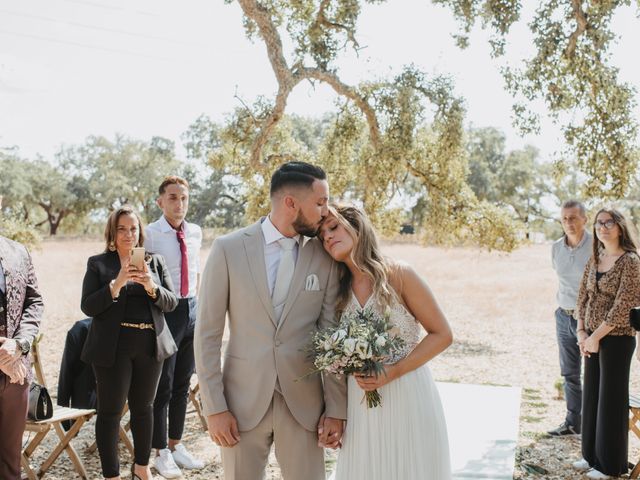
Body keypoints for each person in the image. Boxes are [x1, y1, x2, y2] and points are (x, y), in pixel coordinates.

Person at [195, 161, 347, 480]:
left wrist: (336, 409)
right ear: (290, 202)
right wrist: (215, 408)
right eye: (320, 202)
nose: (326, 211)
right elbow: (207, 335)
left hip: (304, 406)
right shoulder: (227, 249)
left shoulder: (325, 256)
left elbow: (331, 336)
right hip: (240, 405)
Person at [320, 204, 453, 480]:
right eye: (322, 236)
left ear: (357, 226)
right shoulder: (336, 290)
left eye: (333, 227)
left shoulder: (399, 274)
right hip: (361, 406)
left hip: (408, 394)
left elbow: (442, 334)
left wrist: (394, 371)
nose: (328, 237)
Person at [80, 205, 178, 480]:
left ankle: (142, 468)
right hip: (113, 348)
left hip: (150, 345)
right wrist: (117, 283)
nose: (128, 234)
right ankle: (111, 475)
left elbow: (172, 303)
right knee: (110, 412)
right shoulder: (98, 263)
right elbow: (88, 306)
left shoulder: (155, 261)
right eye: (121, 228)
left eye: (133, 228)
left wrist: (151, 287)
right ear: (113, 232)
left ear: (140, 231)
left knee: (144, 409)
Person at [572, 207, 640, 480]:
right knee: (592, 397)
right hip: (589, 337)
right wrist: (581, 333)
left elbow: (623, 307)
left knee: (611, 401)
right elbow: (582, 297)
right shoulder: (596, 257)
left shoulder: (631, 262)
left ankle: (609, 465)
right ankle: (590, 455)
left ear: (620, 227)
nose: (603, 227)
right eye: (599, 223)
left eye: (609, 222)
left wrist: (594, 337)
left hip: (617, 339)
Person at [146, 176, 204, 478]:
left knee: (183, 382)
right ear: (160, 202)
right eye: (172, 197)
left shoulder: (195, 232)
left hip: (193, 308)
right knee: (163, 384)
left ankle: (176, 443)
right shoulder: (150, 234)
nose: (179, 203)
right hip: (166, 312)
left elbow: (195, 272)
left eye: (183, 197)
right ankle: (160, 451)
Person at [0, 234, 44, 480]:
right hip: (8, 362)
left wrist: (19, 344)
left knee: (10, 463)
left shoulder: (18, 251)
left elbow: (34, 301)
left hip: (17, 374)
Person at [548, 200, 592, 436]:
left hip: (589, 319)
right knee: (569, 374)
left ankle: (593, 425)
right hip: (563, 317)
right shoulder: (556, 248)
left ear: (585, 219)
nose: (569, 223)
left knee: (594, 373)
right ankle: (573, 423)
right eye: (564, 218)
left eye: (573, 218)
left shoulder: (597, 246)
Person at [57, 318, 96, 430]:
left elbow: (66, 375)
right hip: (124, 398)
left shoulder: (82, 329)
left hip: (88, 400)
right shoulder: (81, 330)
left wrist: (64, 418)